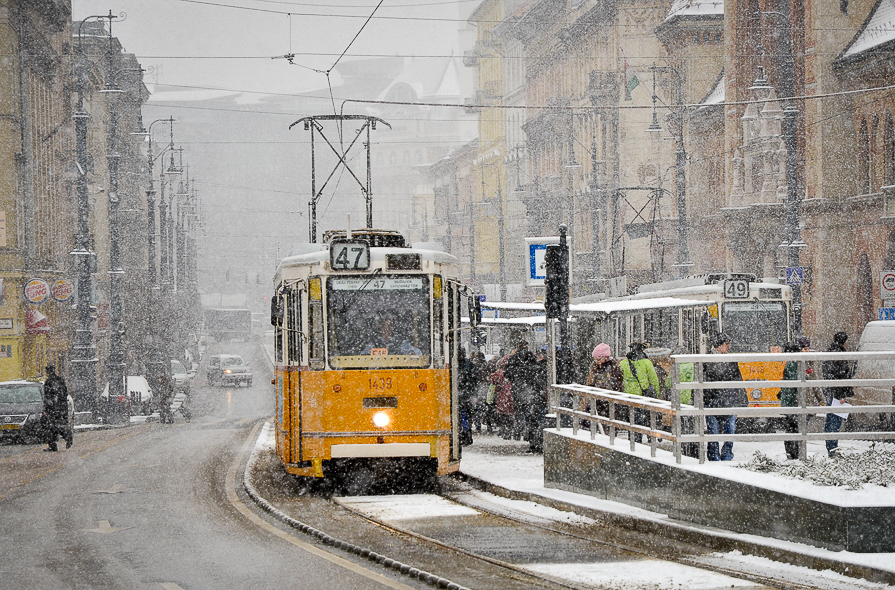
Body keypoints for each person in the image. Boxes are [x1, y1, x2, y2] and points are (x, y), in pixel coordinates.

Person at [703, 333, 747, 461]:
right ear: (719, 345)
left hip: (720, 401)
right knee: (721, 431)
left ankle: (717, 455)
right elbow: (737, 379)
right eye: (726, 344)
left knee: (721, 430)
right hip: (723, 400)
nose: (728, 346)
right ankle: (721, 455)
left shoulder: (707, 360)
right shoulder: (715, 361)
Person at [504, 341, 543, 451]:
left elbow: (507, 374)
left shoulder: (513, 359)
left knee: (521, 415)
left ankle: (521, 434)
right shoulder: (532, 358)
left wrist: (517, 379)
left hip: (518, 391)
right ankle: (535, 442)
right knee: (533, 418)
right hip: (532, 391)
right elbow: (538, 372)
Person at [618, 342, 660, 442]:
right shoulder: (647, 363)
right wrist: (656, 394)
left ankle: (632, 440)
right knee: (640, 421)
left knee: (630, 421)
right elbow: (654, 380)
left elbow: (619, 379)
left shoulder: (623, 363)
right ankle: (637, 441)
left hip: (627, 397)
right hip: (642, 397)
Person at [822, 331, 854, 457]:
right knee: (835, 421)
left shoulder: (829, 352)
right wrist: (841, 394)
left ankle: (831, 447)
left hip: (830, 390)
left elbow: (829, 373)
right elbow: (841, 375)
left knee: (830, 420)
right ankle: (832, 449)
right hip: (837, 392)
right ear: (843, 341)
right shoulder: (839, 354)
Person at [585, 343, 623, 419]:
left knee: (606, 421)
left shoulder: (611, 368)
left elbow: (612, 384)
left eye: (598, 359)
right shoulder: (596, 367)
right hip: (599, 401)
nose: (597, 361)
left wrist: (595, 387)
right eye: (595, 359)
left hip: (607, 401)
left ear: (605, 357)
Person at [778, 341, 802, 460]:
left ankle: (791, 451)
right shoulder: (793, 363)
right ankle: (794, 452)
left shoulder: (787, 362)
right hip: (792, 401)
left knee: (790, 426)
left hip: (787, 400)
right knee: (794, 427)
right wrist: (806, 376)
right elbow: (796, 381)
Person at [42, 365, 72, 451]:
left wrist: (47, 409)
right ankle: (67, 436)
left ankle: (53, 445)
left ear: (47, 372)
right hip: (62, 408)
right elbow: (65, 393)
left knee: (50, 427)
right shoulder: (60, 380)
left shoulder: (48, 382)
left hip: (53, 409)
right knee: (59, 425)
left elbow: (48, 397)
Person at [457, 347, 477, 446]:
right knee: (466, 417)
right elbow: (474, 380)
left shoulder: (457, 365)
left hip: (462, 394)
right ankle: (467, 435)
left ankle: (465, 436)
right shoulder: (469, 365)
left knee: (463, 417)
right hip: (466, 394)